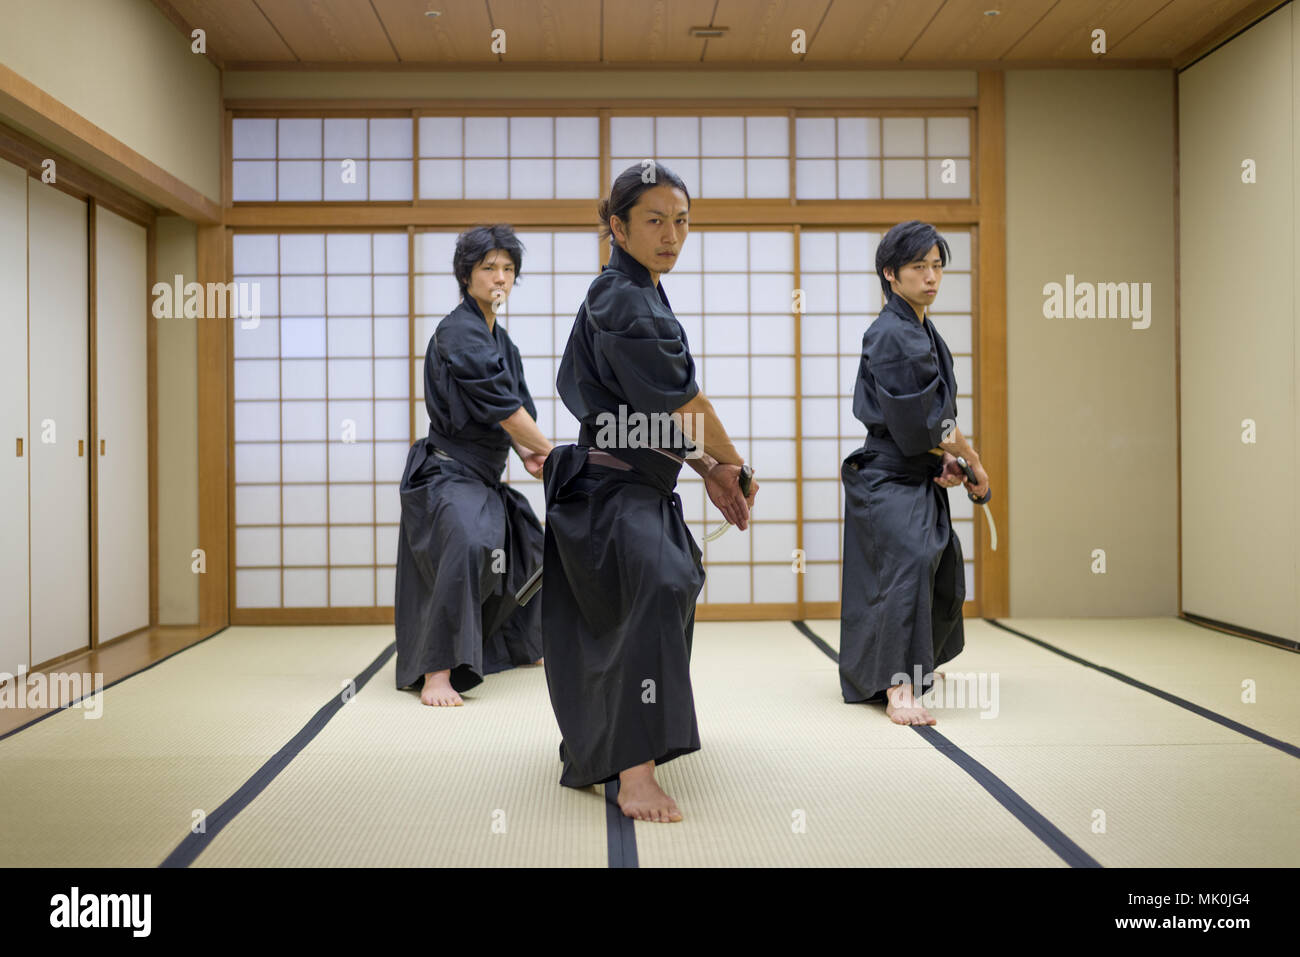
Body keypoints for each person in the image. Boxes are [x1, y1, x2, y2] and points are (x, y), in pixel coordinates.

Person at [542, 163, 758, 823]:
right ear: (618, 226)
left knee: (665, 587)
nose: (672, 235)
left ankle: (615, 744)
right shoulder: (621, 297)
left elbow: (653, 416)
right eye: (655, 221)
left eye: (682, 220)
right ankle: (633, 774)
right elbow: (683, 401)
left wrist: (707, 471)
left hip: (635, 485)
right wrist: (732, 461)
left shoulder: (643, 290)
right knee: (658, 587)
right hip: (609, 490)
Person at [394, 225, 555, 707]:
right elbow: (505, 411)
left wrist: (533, 455)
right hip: (446, 474)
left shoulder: (502, 341)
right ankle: (436, 672)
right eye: (489, 268)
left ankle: (518, 645)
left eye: (508, 269)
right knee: (467, 545)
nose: (499, 277)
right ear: (467, 275)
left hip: (484, 478)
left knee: (533, 547)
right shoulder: (458, 332)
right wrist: (553, 452)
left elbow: (517, 413)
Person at [839, 220, 990, 726]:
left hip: (914, 468)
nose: (931, 277)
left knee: (941, 564)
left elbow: (929, 420)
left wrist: (944, 459)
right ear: (890, 274)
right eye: (918, 267)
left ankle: (917, 665)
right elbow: (933, 418)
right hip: (886, 474)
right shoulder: (893, 334)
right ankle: (898, 686)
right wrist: (972, 461)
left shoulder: (919, 326)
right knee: (905, 568)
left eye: (937, 266)